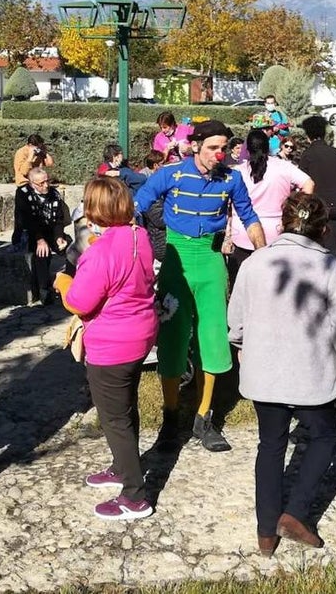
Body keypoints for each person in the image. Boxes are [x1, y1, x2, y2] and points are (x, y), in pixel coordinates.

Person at [228, 192, 336, 557]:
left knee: (271, 444)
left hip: (264, 374)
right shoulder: (331, 268)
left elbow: (236, 319)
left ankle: (266, 530)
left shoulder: (255, 263)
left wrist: (241, 342)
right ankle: (295, 512)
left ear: (282, 223)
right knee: (325, 436)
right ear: (324, 229)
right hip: (312, 375)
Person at [135, 119, 267, 452]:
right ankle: (169, 416)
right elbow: (137, 204)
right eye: (213, 148)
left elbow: (248, 216)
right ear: (195, 145)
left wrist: (264, 252)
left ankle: (204, 418)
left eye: (224, 148)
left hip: (211, 264)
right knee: (172, 338)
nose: (220, 154)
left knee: (213, 338)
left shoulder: (232, 179)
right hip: (176, 264)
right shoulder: (171, 174)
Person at [55, 177, 159, 520]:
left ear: (93, 211)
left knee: (114, 417)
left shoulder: (98, 252)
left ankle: (135, 496)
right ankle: (121, 466)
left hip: (112, 343)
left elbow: (81, 302)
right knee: (125, 407)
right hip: (140, 334)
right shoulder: (137, 236)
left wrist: (63, 283)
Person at [224, 129, 313, 287]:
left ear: (247, 148)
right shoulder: (284, 167)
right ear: (268, 146)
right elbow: (309, 184)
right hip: (275, 231)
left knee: (240, 282)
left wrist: (227, 233)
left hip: (242, 232)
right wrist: (295, 207)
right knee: (273, 283)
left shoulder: (238, 172)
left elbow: (228, 205)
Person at [12, 167, 70, 305]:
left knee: (70, 248)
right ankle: (44, 290)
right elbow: (26, 220)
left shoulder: (54, 194)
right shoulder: (23, 194)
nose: (46, 185)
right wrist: (40, 239)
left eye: (47, 181)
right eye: (41, 183)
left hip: (50, 231)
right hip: (29, 232)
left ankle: (70, 285)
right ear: (32, 183)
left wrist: (59, 236)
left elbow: (59, 219)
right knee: (42, 253)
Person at [297, 115, 336, 254]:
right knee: (331, 243)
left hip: (316, 206)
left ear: (308, 135)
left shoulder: (307, 155)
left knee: (315, 245)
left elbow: (301, 181)